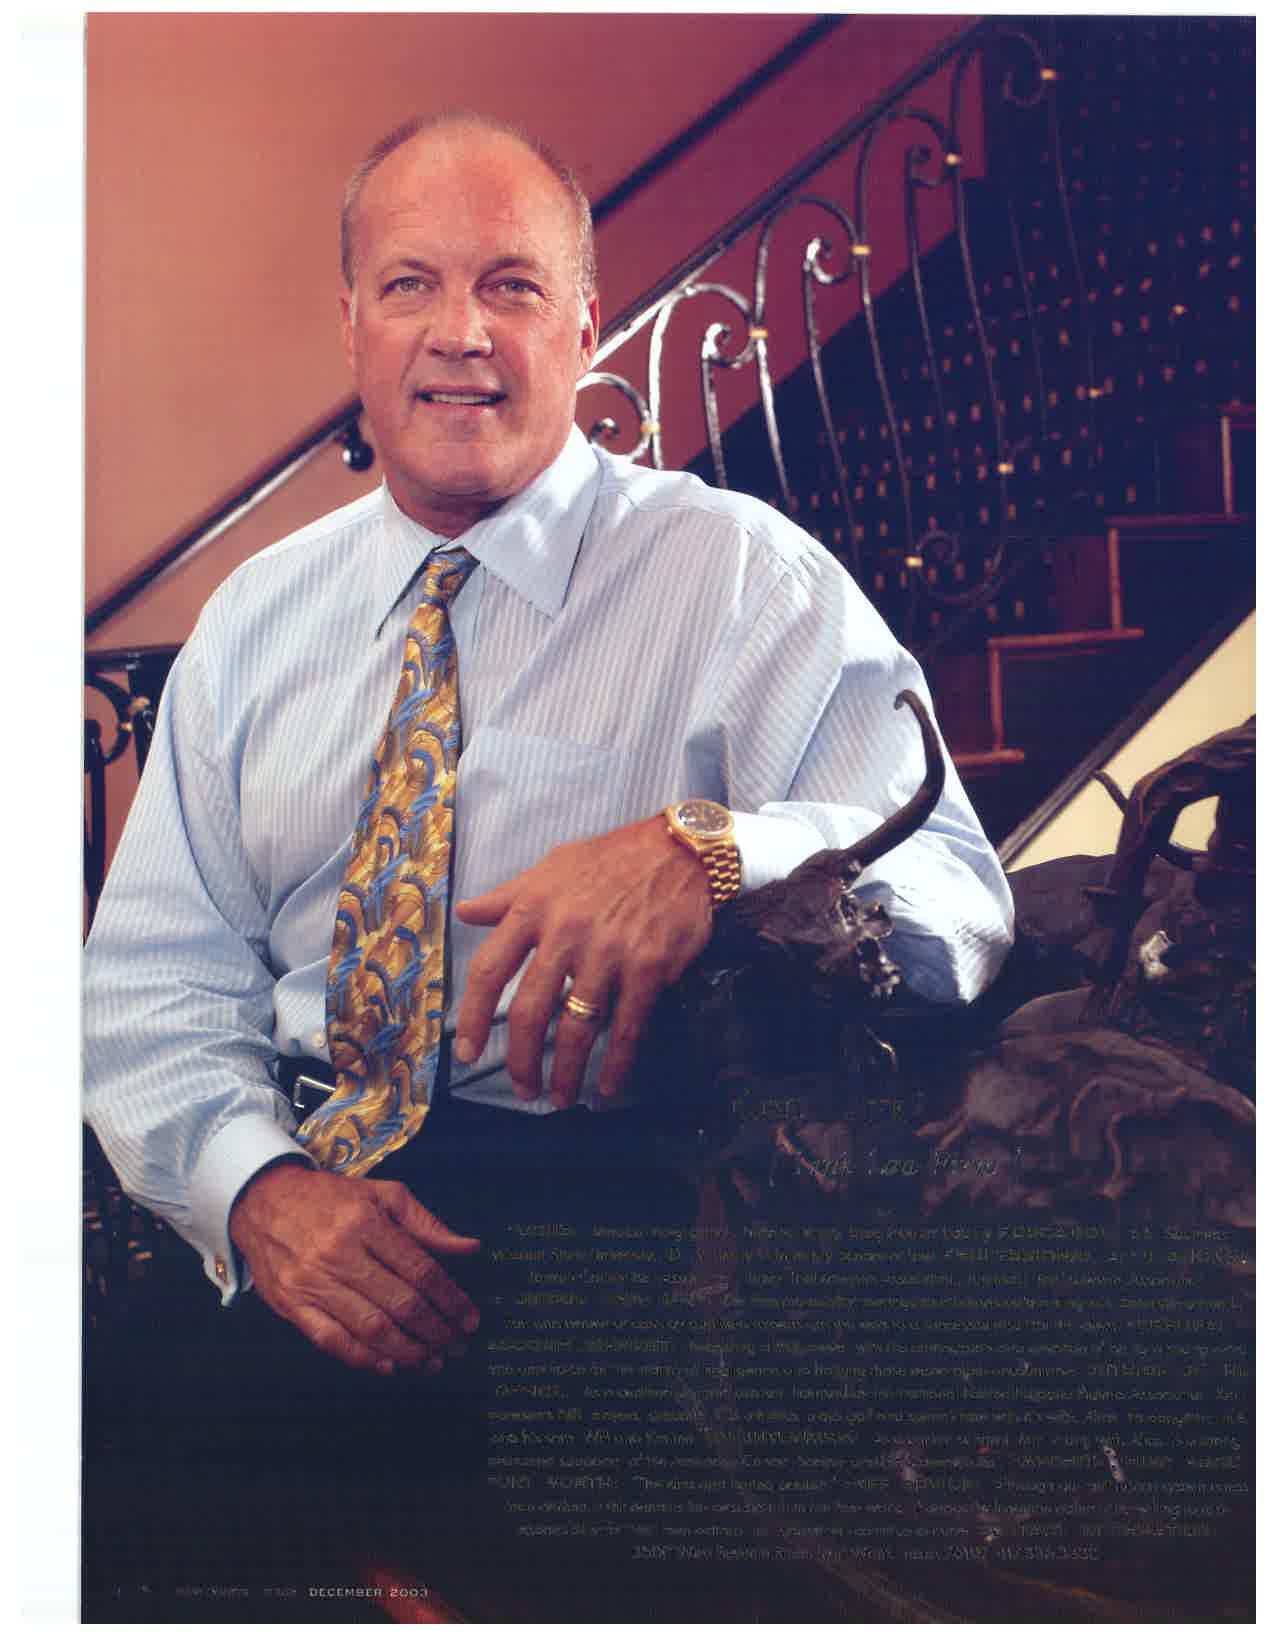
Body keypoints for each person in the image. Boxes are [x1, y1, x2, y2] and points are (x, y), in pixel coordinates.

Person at [83, 110, 1013, 1617]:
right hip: (310, 1191)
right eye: (411, 285)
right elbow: (150, 980)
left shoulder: (743, 576)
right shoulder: (253, 620)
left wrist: (718, 853)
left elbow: (963, 908)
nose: (461, 333)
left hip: (625, 1214)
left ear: (584, 324)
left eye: (510, 285)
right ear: (351, 325)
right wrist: (255, 1191)